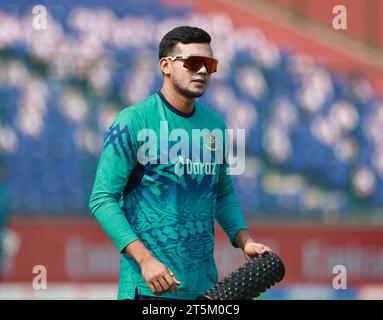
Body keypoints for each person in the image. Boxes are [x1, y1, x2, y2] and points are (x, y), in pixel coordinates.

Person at [89, 26, 271, 300]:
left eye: (209, 64)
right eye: (192, 62)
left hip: (207, 290)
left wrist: (245, 241)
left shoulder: (216, 126)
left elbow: (222, 194)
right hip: (147, 289)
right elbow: (102, 200)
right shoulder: (132, 122)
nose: (202, 71)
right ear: (165, 65)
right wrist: (145, 261)